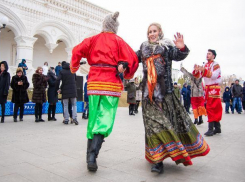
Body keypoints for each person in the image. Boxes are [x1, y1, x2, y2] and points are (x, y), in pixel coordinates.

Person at [136, 23, 210, 174]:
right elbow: (131, 58)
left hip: (165, 94)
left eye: (154, 31)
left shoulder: (167, 47)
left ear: (160, 32)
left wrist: (182, 48)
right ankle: (157, 160)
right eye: (150, 32)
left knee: (165, 125)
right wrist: (122, 63)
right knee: (152, 127)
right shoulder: (143, 47)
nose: (152, 34)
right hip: (148, 96)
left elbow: (179, 55)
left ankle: (167, 153)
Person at [70, 12, 138, 172]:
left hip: (93, 82)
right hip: (110, 84)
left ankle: (89, 155)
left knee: (93, 117)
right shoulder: (119, 41)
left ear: (104, 25)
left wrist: (74, 67)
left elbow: (76, 51)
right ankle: (93, 155)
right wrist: (126, 70)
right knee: (105, 118)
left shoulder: (93, 39)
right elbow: (132, 58)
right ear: (115, 27)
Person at [194, 49, 222, 136]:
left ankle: (211, 128)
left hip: (214, 88)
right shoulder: (205, 65)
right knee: (212, 107)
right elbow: (199, 76)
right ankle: (217, 127)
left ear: (213, 55)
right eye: (207, 54)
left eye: (209, 54)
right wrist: (196, 70)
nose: (207, 55)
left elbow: (214, 76)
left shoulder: (215, 64)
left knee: (211, 107)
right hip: (207, 88)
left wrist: (203, 70)